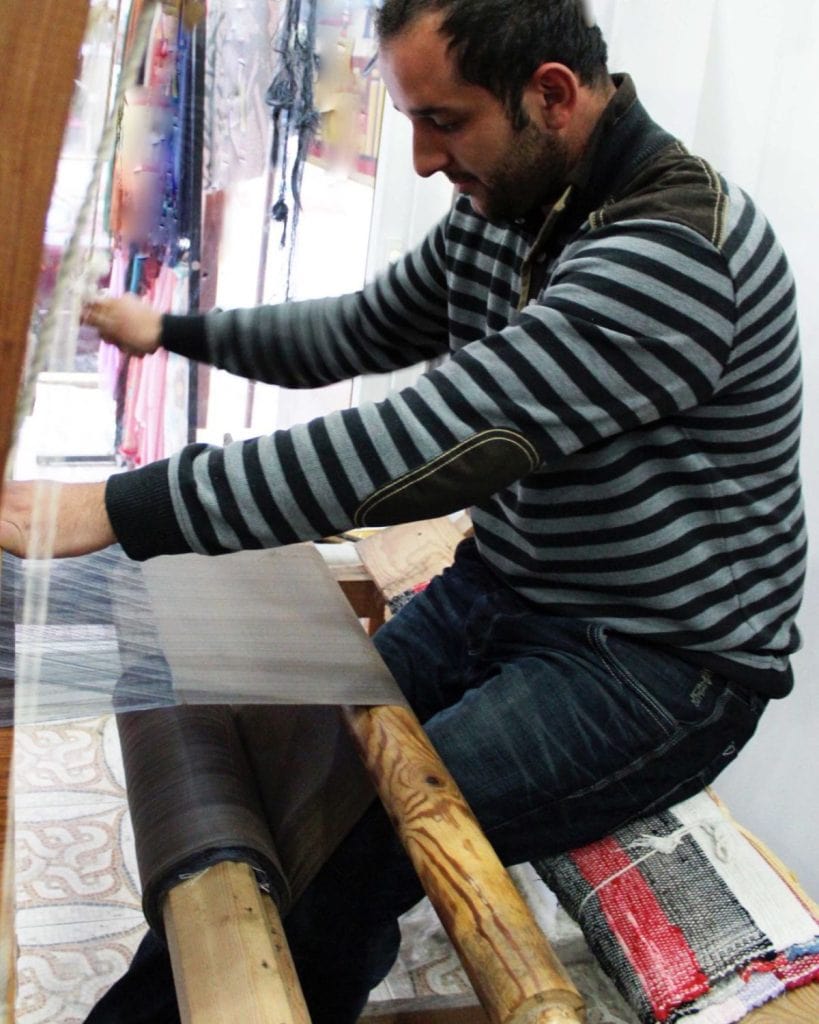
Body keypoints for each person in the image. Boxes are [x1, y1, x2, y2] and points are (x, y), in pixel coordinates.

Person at [1, 1, 806, 1021]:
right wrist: (175, 329)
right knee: (309, 805)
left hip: (659, 663)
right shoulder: (509, 208)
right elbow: (357, 328)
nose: (423, 158)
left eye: (445, 121)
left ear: (550, 95)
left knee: (360, 849)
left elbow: (428, 443)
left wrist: (117, 509)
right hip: (511, 587)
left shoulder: (677, 259)